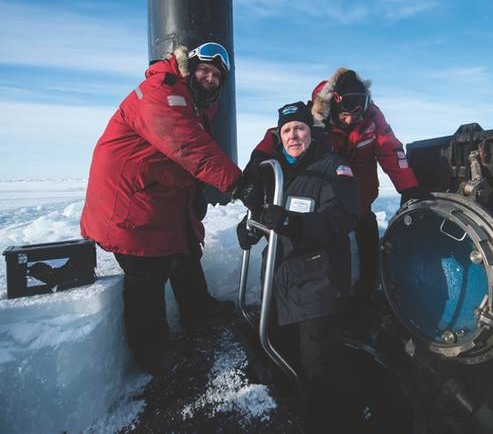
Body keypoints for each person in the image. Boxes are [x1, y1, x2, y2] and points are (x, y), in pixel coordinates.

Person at [80, 42, 243, 373]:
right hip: (129, 203)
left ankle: (199, 313)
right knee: (146, 275)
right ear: (188, 67)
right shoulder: (162, 90)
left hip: (158, 195)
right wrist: (240, 184)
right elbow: (188, 146)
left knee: (185, 253)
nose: (210, 79)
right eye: (205, 71)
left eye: (216, 76)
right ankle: (152, 351)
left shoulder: (191, 102)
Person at [247, 68, 429, 298]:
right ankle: (310, 294)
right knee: (324, 238)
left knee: (366, 229)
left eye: (357, 112)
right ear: (334, 103)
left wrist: (409, 187)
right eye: (345, 112)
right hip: (324, 193)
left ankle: (369, 285)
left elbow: (390, 149)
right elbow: (280, 133)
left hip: (360, 193)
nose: (351, 118)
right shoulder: (314, 115)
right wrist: (258, 161)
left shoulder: (372, 117)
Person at [236, 102, 358, 432]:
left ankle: (331, 422)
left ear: (311, 133)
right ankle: (294, 415)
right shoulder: (273, 172)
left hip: (317, 287)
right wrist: (246, 229)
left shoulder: (332, 168)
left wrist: (293, 223)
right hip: (278, 284)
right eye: (287, 130)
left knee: (318, 368)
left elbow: (341, 218)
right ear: (279, 136)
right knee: (281, 357)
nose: (294, 136)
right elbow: (260, 215)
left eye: (300, 128)